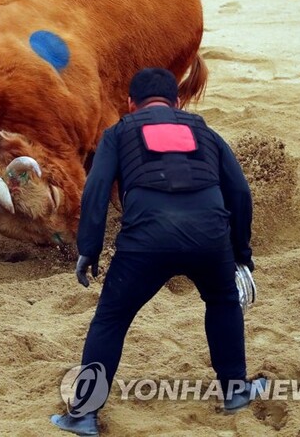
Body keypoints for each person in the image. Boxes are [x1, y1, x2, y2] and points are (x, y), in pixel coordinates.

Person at [51, 68, 265, 436]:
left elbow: (96, 190)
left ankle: (84, 414)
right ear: (178, 102)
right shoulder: (204, 130)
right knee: (222, 301)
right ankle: (235, 390)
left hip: (145, 242)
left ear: (130, 105)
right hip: (211, 239)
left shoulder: (119, 132)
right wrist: (240, 253)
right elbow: (241, 193)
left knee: (111, 319)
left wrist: (89, 248)